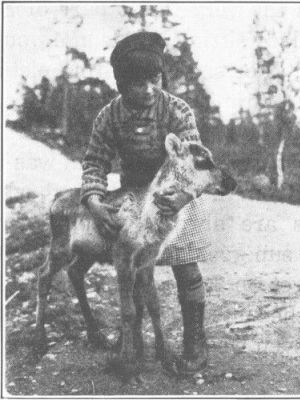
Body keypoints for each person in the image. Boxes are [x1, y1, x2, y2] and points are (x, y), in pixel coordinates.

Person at [80, 31, 211, 375]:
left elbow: (194, 156)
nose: (150, 89)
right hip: (135, 199)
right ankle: (133, 341)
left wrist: (185, 195)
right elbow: (95, 160)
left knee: (186, 264)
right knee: (136, 270)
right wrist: (93, 200)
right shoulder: (109, 116)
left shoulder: (177, 109)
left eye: (155, 79)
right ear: (122, 85)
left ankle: (195, 343)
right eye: (139, 83)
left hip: (177, 198)